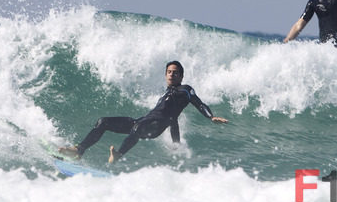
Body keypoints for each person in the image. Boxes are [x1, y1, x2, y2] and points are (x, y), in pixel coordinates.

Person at [58, 61, 228, 163]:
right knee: (103, 122)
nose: (171, 75)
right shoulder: (166, 95)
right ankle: (79, 150)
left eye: (175, 73)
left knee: (138, 128)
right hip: (142, 121)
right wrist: (175, 143)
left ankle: (118, 154)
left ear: (181, 76)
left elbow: (197, 104)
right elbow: (174, 121)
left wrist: (210, 116)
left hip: (154, 127)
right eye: (169, 72)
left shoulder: (185, 90)